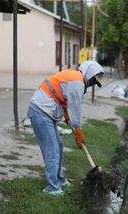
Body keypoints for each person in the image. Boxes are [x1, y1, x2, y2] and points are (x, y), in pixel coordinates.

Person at [27, 61, 104, 196]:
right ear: (88, 74)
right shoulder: (77, 81)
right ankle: (52, 187)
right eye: (92, 80)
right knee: (52, 150)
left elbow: (64, 100)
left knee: (59, 146)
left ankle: (59, 179)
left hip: (46, 112)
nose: (92, 84)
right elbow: (75, 107)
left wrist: (67, 118)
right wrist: (78, 130)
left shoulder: (76, 79)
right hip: (41, 112)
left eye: (94, 83)